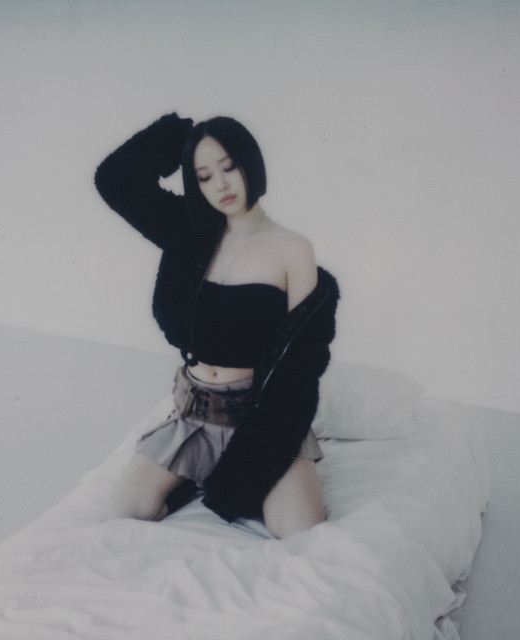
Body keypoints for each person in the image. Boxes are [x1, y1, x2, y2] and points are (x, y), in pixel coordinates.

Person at [94, 113, 339, 539]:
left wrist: (251, 463)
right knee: (123, 513)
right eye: (204, 176)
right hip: (194, 412)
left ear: (251, 164)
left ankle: (221, 473)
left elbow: (301, 363)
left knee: (300, 532)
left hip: (259, 420)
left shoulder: (293, 249)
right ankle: (193, 473)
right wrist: (184, 135)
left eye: (229, 167)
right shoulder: (187, 232)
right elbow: (113, 179)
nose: (221, 185)